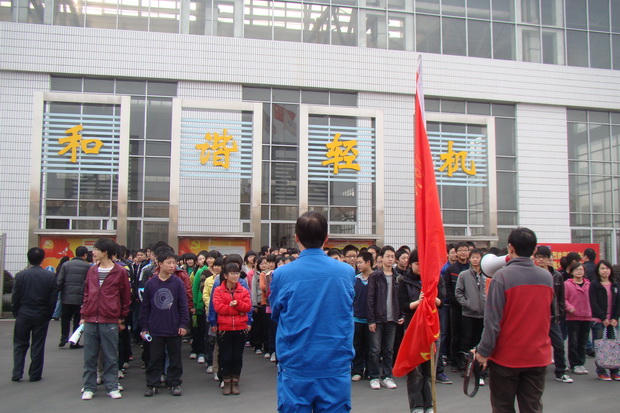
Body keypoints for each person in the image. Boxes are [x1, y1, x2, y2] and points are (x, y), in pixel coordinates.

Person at [270, 211, 355, 412]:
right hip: (334, 360)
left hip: (296, 361)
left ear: (296, 238)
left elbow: (276, 312)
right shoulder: (346, 272)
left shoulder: (282, 274)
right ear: (326, 238)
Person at [475, 227, 554, 413]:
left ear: (510, 247)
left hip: (506, 357)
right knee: (532, 407)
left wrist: (483, 351)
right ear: (535, 249)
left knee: (503, 407)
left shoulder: (501, 277)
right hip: (537, 355)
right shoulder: (547, 277)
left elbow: (493, 321)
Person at [80, 238, 131, 400]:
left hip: (110, 319)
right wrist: (83, 314)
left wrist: (121, 317)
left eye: (96, 249)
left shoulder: (120, 271)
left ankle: (112, 386)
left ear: (105, 252)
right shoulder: (92, 270)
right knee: (90, 355)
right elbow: (86, 293)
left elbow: (125, 297)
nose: (93, 252)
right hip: (90, 318)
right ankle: (89, 387)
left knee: (111, 355)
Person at [398, 249, 443, 413]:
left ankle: (429, 404)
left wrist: (433, 298)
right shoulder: (404, 281)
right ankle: (416, 405)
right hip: (413, 329)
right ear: (410, 264)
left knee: (429, 371)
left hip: (431, 328)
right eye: (417, 264)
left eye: (423, 264)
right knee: (415, 371)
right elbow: (403, 306)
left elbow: (442, 301)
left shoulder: (435, 280)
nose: (420, 267)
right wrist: (419, 302)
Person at [140, 248, 189, 397]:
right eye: (169, 263)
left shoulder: (178, 283)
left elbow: (183, 305)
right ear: (160, 264)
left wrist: (183, 324)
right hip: (155, 327)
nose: (172, 265)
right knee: (154, 358)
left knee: (175, 358)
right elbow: (145, 307)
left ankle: (174, 382)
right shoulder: (151, 283)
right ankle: (152, 384)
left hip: (174, 327)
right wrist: (144, 327)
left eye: (174, 263)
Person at [11, 247, 57, 382]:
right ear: (42, 258)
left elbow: (15, 296)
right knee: (38, 344)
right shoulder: (50, 276)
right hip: (41, 313)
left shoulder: (20, 276)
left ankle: (17, 372)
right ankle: (35, 374)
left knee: (20, 343)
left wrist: (16, 312)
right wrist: (49, 313)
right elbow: (52, 298)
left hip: (23, 313)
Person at [532, 246, 573, 384]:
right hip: (536, 318)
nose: (541, 260)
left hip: (552, 317)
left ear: (549, 258)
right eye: (538, 257)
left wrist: (560, 312)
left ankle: (561, 372)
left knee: (559, 344)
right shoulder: (532, 274)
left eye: (544, 257)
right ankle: (534, 372)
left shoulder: (557, 275)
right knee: (535, 346)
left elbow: (560, 297)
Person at [367, 245, 404, 390]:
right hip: (377, 318)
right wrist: (371, 320)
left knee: (389, 349)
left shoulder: (398, 277)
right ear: (381, 258)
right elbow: (370, 299)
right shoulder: (375, 276)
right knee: (375, 350)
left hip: (392, 318)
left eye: (392, 256)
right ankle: (374, 376)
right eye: (388, 256)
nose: (390, 259)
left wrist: (401, 314)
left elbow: (401, 298)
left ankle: (387, 376)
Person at [212, 262, 252, 395]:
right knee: (226, 357)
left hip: (240, 328)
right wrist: (237, 310)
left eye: (237, 273)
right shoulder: (218, 290)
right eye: (232, 273)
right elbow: (219, 308)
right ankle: (226, 382)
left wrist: (238, 304)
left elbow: (248, 307)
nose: (235, 276)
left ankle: (235, 382)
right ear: (225, 275)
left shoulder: (243, 290)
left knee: (237, 357)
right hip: (225, 328)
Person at [455, 248, 487, 385]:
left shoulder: (487, 275)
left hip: (483, 314)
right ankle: (465, 368)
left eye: (477, 257)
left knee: (480, 341)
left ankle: (480, 370)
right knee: (466, 340)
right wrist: (466, 304)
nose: (475, 259)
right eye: (473, 257)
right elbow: (458, 292)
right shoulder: (464, 275)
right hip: (468, 313)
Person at [589, 259, 620, 381]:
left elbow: (618, 303)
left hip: (612, 321)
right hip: (599, 320)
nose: (605, 271)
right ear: (598, 270)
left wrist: (615, 318)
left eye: (607, 268)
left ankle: (614, 370)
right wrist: (603, 318)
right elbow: (593, 303)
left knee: (613, 345)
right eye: (602, 268)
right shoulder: (594, 285)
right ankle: (601, 371)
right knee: (600, 346)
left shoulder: (615, 285)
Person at [56, 246, 90, 348]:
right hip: (80, 298)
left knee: (65, 317)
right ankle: (74, 341)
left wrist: (59, 291)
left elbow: (59, 280)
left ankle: (64, 337)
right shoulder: (87, 266)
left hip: (67, 296)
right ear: (85, 255)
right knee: (77, 319)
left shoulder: (66, 265)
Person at [564, 261, 592, 375]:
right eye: (576, 270)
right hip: (573, 317)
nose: (579, 272)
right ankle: (574, 364)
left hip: (587, 316)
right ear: (572, 272)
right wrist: (570, 308)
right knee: (573, 342)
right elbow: (563, 299)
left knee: (583, 341)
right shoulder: (567, 284)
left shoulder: (589, 285)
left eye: (581, 270)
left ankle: (581, 363)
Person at [352, 251, 373, 381]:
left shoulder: (376, 278)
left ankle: (370, 370)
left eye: (360, 262)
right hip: (356, 318)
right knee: (357, 346)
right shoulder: (355, 279)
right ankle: (357, 370)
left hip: (371, 320)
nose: (358, 265)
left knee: (371, 347)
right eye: (357, 263)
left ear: (368, 262)